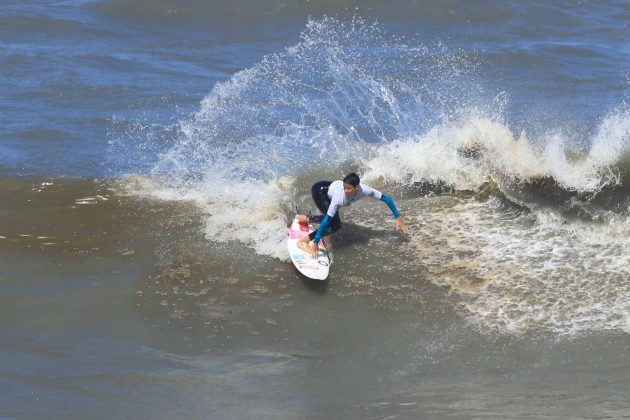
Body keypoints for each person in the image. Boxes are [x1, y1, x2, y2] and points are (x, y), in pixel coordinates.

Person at [297, 172, 408, 257]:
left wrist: (398, 217)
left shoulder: (365, 190)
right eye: (344, 187)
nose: (345, 190)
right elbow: (327, 219)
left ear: (357, 187)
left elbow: (386, 198)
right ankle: (304, 241)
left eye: (349, 188)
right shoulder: (339, 198)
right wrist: (316, 241)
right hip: (320, 192)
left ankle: (307, 218)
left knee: (333, 220)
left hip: (327, 188)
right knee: (334, 225)